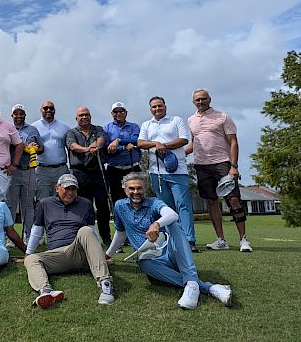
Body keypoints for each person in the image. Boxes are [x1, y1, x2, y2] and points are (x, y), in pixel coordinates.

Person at [105, 173, 233, 309]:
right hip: (150, 259)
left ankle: (192, 282)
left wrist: (156, 224)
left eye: (139, 188)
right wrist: (107, 255)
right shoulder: (120, 206)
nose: (136, 192)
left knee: (173, 224)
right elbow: (121, 233)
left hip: (171, 253)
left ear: (145, 189)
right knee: (143, 263)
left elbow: (172, 214)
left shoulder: (153, 202)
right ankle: (203, 286)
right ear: (125, 190)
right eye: (131, 189)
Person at [23, 174, 115, 308]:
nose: (70, 192)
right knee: (30, 259)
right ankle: (46, 291)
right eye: (67, 188)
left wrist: (100, 257)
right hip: (57, 255)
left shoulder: (85, 204)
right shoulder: (44, 204)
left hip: (79, 252)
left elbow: (92, 233)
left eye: (74, 189)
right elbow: (37, 231)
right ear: (57, 188)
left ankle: (106, 284)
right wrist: (28, 253)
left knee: (85, 231)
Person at [186, 89, 252, 252]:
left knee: (234, 199)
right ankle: (221, 240)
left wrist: (234, 166)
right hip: (201, 165)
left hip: (223, 163)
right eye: (197, 100)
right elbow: (194, 144)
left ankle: (243, 240)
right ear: (193, 102)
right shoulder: (190, 120)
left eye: (203, 99)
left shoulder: (223, 116)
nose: (200, 102)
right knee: (211, 201)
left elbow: (233, 142)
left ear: (209, 99)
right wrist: (173, 154)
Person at [137, 96, 198, 252]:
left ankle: (189, 240)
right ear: (150, 109)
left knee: (183, 205)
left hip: (178, 170)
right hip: (156, 172)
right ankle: (172, 239)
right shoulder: (146, 124)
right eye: (154, 107)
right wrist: (156, 144)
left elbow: (184, 139)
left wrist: (163, 146)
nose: (157, 109)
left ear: (165, 106)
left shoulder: (176, 120)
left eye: (160, 106)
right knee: (165, 209)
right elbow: (140, 143)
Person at [66, 106, 112, 245]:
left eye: (86, 115)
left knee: (102, 204)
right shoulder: (71, 132)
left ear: (90, 116)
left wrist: (96, 146)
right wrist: (87, 149)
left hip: (98, 171)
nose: (84, 117)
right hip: (80, 172)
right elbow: (72, 146)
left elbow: (101, 140)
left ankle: (106, 236)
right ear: (77, 118)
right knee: (84, 205)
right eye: (81, 115)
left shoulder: (98, 129)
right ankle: (88, 237)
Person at [6, 104, 43, 242]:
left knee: (28, 205)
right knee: (11, 205)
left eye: (21, 113)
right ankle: (10, 238)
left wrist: (35, 148)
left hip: (29, 171)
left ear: (25, 115)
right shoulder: (8, 129)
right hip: (13, 171)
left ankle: (29, 236)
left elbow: (42, 148)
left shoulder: (33, 129)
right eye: (16, 113)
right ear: (12, 115)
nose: (19, 116)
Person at [103, 101, 141, 205]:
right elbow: (107, 147)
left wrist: (118, 141)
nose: (118, 113)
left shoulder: (134, 126)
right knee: (117, 200)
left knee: (136, 199)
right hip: (114, 170)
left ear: (126, 113)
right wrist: (124, 147)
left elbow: (135, 139)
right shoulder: (107, 128)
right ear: (112, 113)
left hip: (132, 167)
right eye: (115, 111)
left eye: (121, 111)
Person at [31, 101, 71, 200]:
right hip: (42, 169)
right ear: (41, 110)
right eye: (45, 108)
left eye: (51, 108)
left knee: (63, 198)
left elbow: (69, 147)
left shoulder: (64, 127)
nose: (48, 110)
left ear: (54, 110)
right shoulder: (33, 127)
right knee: (42, 199)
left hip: (61, 168)